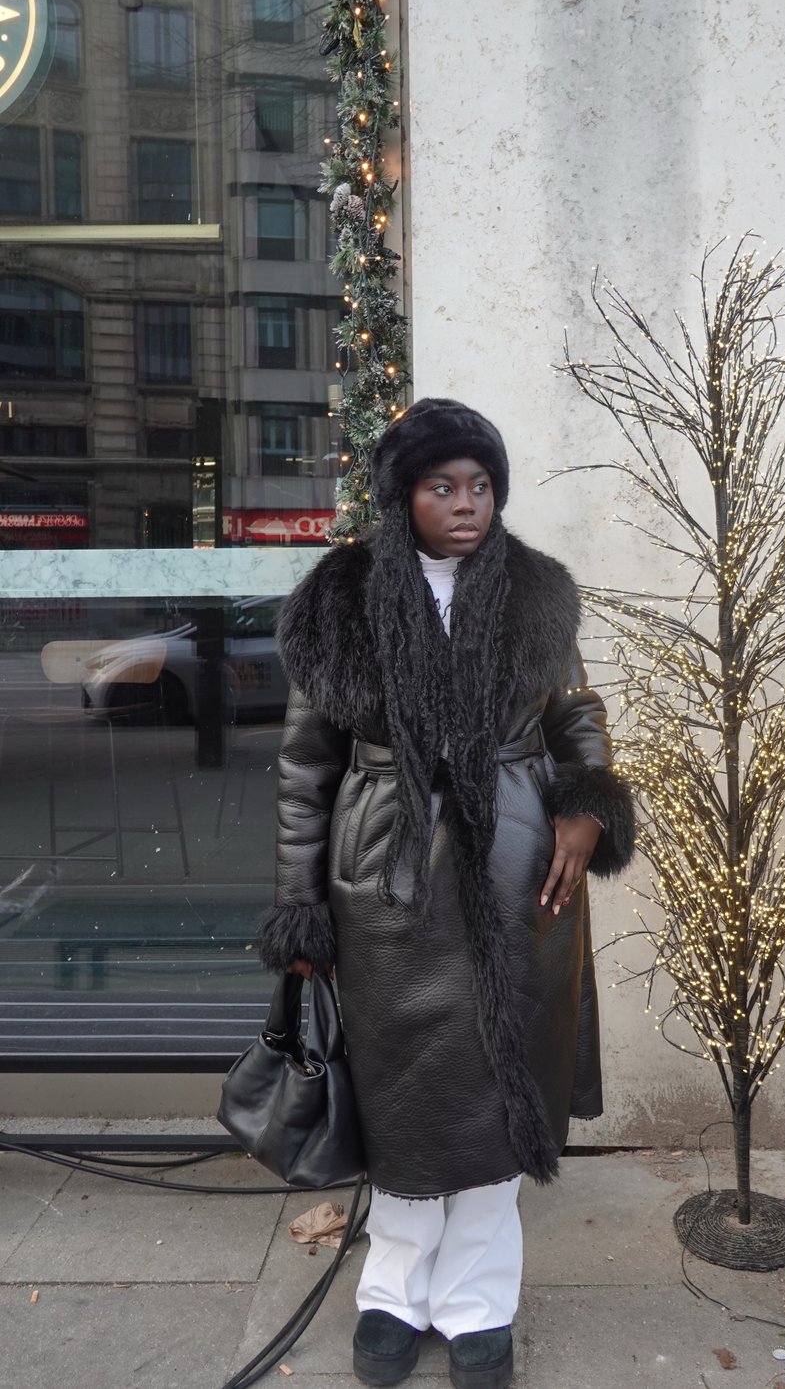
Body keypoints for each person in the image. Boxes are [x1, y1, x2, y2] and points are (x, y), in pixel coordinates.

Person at [257, 398, 634, 1389]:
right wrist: (300, 908)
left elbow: (576, 716)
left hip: (519, 872)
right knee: (403, 1097)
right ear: (403, 496)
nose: (467, 503)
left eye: (480, 484)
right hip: (383, 884)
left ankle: (478, 1303)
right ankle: (393, 1291)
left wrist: (587, 808)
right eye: (442, 485)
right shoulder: (339, 601)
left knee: (501, 1091)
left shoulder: (535, 592)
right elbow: (304, 769)